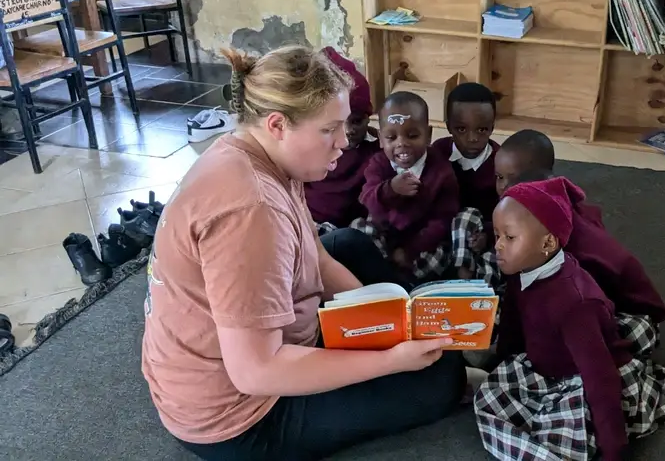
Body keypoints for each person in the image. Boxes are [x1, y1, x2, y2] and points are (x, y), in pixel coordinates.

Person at [141, 46, 465, 461]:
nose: (345, 143)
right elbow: (256, 371)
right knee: (440, 377)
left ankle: (406, 329)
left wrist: (391, 322)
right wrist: (391, 360)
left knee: (348, 244)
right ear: (278, 124)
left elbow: (318, 257)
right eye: (330, 129)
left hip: (238, 350)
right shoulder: (251, 211)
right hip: (238, 416)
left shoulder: (259, 153)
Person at [474, 178, 665, 461]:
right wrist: (503, 359)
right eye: (497, 235)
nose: (497, 246)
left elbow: (601, 380)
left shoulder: (574, 305)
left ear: (547, 242)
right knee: (489, 396)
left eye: (509, 237)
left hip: (583, 381)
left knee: (560, 437)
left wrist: (614, 451)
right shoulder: (524, 271)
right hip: (548, 364)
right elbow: (512, 323)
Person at [495, 130, 665, 321]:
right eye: (499, 177)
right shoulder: (536, 210)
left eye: (514, 181)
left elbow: (589, 305)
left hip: (626, 311)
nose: (503, 187)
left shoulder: (576, 254)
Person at [352, 91, 460, 283]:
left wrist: (409, 250)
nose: (401, 143)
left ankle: (404, 284)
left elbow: (442, 221)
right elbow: (367, 200)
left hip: (421, 243)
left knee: (440, 255)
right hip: (385, 236)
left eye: (412, 135)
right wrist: (390, 189)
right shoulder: (378, 163)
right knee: (359, 229)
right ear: (380, 138)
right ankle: (385, 279)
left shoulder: (441, 170)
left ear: (428, 135)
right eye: (391, 137)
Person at [430, 83, 501, 285]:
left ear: (493, 126)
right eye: (461, 129)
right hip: (442, 234)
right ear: (448, 125)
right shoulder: (438, 153)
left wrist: (487, 234)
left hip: (482, 239)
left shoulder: (501, 162)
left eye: (482, 129)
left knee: (491, 268)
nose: (472, 138)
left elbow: (506, 210)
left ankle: (471, 293)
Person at [304, 48, 380, 234]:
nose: (347, 132)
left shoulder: (377, 148)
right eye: (335, 125)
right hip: (310, 224)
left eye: (356, 121)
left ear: (369, 117)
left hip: (353, 228)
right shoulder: (309, 146)